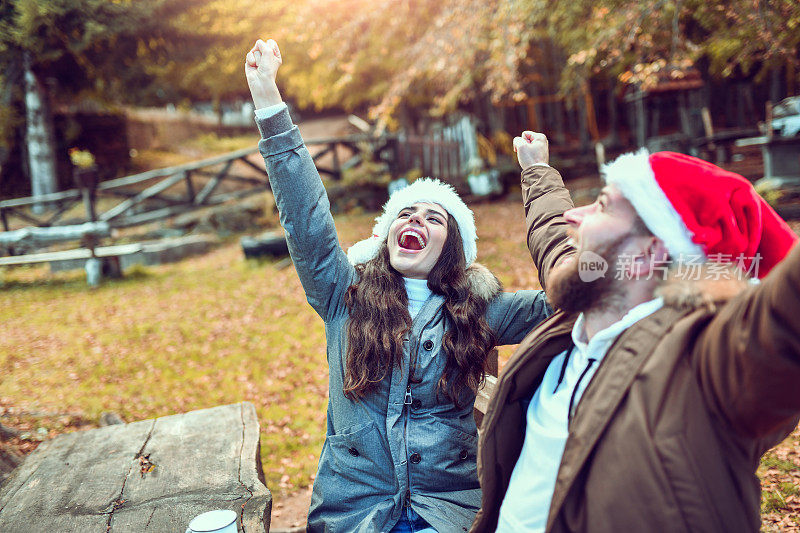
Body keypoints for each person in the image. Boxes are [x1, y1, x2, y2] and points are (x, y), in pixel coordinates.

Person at [245, 39, 555, 533]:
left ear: (451, 247)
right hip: (355, 511)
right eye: (405, 213)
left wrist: (538, 178)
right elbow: (306, 220)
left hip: (447, 510)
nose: (415, 219)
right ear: (387, 234)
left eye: (435, 218)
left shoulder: (477, 307)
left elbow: (565, 297)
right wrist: (270, 106)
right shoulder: (343, 295)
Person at [471, 131, 800, 532]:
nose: (577, 215)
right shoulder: (582, 303)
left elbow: (786, 314)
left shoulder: (706, 360)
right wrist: (537, 168)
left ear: (647, 253)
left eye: (603, 205)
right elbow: (554, 236)